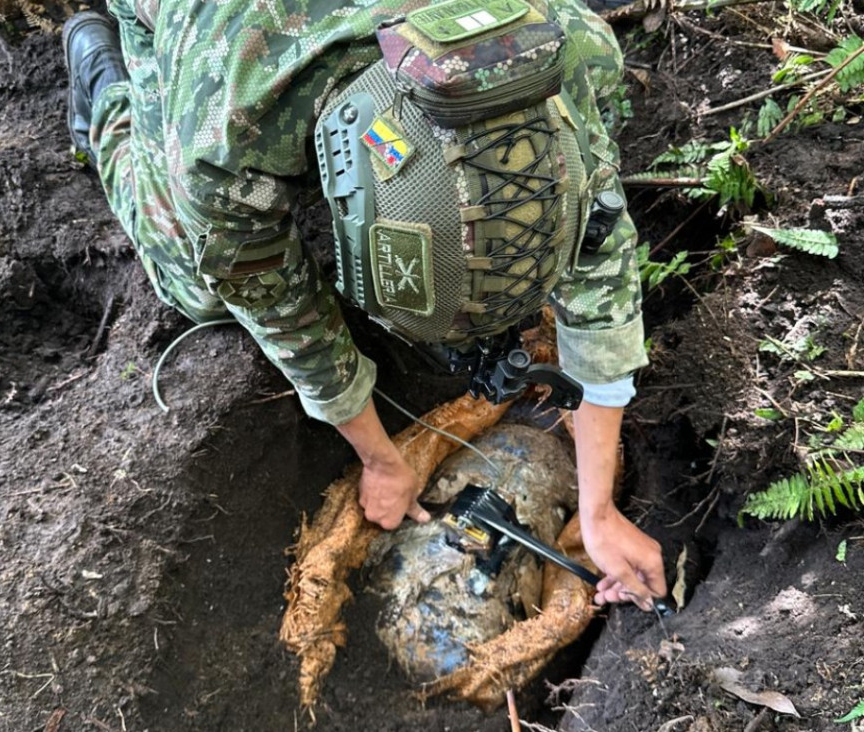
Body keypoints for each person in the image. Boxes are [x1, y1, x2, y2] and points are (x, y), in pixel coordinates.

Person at [63, 0, 667, 610]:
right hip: (210, 25)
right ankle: (104, 88)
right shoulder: (224, 133)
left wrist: (598, 510)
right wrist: (379, 459)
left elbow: (599, 256)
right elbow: (282, 313)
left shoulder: (567, 49)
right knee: (195, 292)